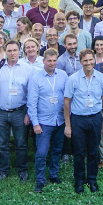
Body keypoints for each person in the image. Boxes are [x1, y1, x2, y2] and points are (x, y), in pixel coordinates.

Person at [0, 40, 33, 182]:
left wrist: (29, 113)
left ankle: (22, 170)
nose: (12, 53)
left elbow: (32, 92)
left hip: (20, 111)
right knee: (2, 143)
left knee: (21, 143)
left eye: (15, 50)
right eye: (9, 50)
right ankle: (3, 170)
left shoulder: (27, 68)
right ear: (5, 51)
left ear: (20, 51)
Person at [64, 49, 103, 193]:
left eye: (91, 60)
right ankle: (79, 181)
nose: (89, 63)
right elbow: (66, 103)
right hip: (78, 119)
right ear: (81, 61)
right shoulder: (73, 79)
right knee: (78, 153)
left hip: (96, 118)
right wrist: (68, 125)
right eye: (85, 60)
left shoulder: (101, 78)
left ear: (94, 61)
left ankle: (92, 180)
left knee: (93, 152)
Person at [28, 49, 68, 192]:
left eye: (54, 60)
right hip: (43, 122)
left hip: (60, 120)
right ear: (43, 61)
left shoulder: (63, 75)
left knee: (57, 150)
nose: (52, 63)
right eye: (49, 61)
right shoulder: (36, 78)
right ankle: (40, 179)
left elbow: (67, 97)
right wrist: (35, 123)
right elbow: (31, 103)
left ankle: (53, 174)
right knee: (41, 152)